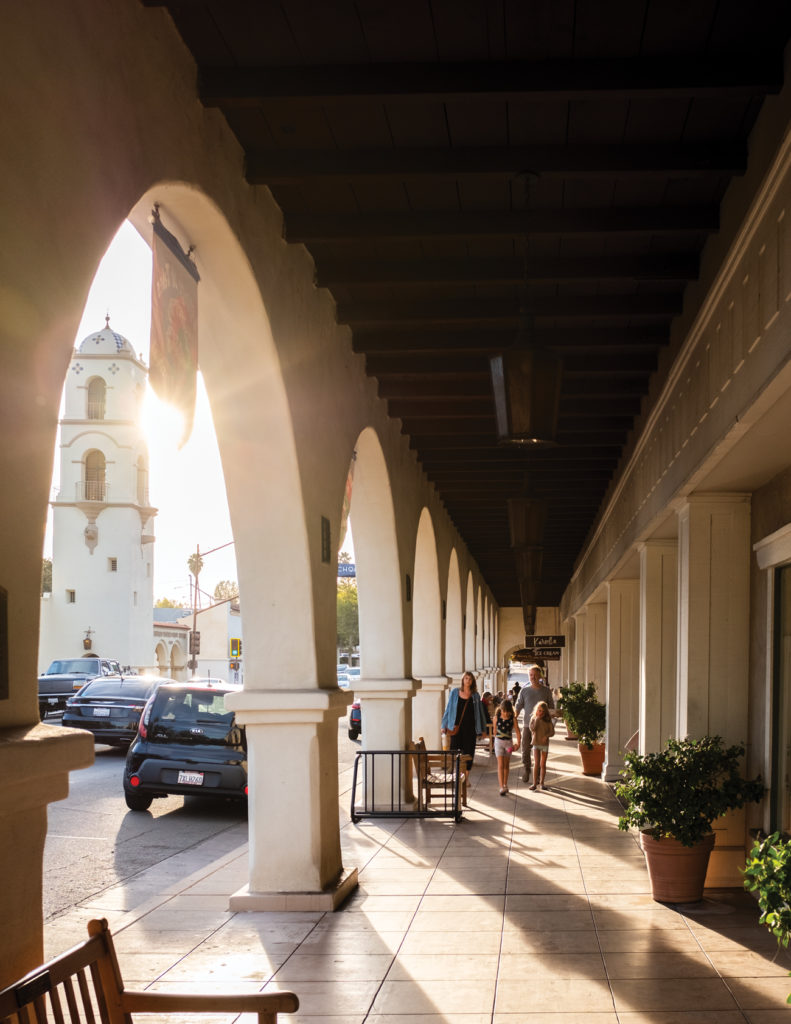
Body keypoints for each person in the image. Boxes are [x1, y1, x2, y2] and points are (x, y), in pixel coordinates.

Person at [514, 665, 554, 783]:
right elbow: (518, 706)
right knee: (525, 749)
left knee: (541, 752)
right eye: (531, 675)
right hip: (527, 725)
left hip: (542, 728)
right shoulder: (524, 691)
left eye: (536, 675)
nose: (533, 677)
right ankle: (527, 769)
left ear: (540, 676)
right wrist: (512, 718)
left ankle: (538, 777)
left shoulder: (546, 691)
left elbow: (551, 708)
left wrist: (550, 725)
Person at [441, 671, 486, 773]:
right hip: (456, 727)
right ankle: (456, 772)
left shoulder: (475, 695)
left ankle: (466, 776)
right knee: (455, 750)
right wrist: (443, 725)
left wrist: (483, 729)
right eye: (466, 678)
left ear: (472, 681)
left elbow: (480, 713)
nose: (468, 681)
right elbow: (448, 709)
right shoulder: (454, 693)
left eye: (470, 679)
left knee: (469, 752)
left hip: (470, 728)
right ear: (462, 680)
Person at [493, 698, 520, 796]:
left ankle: (505, 784)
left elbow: (517, 731)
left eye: (508, 712)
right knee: (500, 765)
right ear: (501, 709)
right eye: (504, 711)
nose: (506, 714)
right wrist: (495, 740)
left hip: (508, 743)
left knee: (506, 765)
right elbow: (494, 730)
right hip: (499, 742)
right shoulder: (496, 718)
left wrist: (518, 743)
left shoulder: (513, 719)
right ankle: (501, 787)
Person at [528, 700, 554, 790]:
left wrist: (546, 736)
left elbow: (552, 732)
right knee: (536, 763)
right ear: (536, 710)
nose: (541, 713)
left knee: (543, 764)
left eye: (543, 711)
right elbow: (532, 729)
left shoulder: (548, 720)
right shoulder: (533, 718)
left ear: (545, 712)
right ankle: (534, 783)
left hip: (544, 744)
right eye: (539, 710)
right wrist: (537, 719)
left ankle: (542, 783)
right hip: (535, 743)